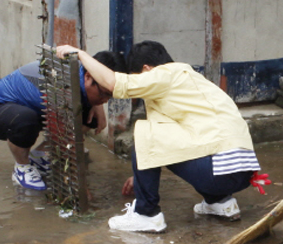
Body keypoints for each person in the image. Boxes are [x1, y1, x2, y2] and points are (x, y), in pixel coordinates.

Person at [57, 41, 269, 233]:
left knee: (143, 130)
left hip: (216, 168)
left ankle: (146, 214)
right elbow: (175, 142)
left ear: (147, 69)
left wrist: (80, 54)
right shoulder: (191, 78)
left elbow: (114, 83)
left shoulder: (163, 75)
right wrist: (142, 176)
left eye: (137, 76)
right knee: (165, 135)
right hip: (242, 172)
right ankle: (220, 202)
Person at [0, 51, 118, 191]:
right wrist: (80, 188)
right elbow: (60, 131)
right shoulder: (61, 85)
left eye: (110, 96)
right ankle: (22, 167)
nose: (105, 101)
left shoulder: (81, 74)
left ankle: (38, 156)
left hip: (33, 109)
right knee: (25, 121)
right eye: (104, 94)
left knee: (89, 118)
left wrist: (96, 104)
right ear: (88, 77)